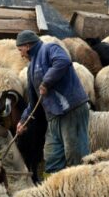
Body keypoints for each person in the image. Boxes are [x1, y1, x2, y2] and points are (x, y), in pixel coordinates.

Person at [15, 30, 90, 176]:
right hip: (54, 116)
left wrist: (46, 82)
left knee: (75, 155)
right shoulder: (31, 68)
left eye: (20, 49)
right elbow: (33, 101)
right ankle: (54, 191)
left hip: (70, 110)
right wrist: (23, 121)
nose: (20, 54)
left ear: (28, 45)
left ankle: (81, 187)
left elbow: (63, 61)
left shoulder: (49, 49)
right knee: (52, 157)